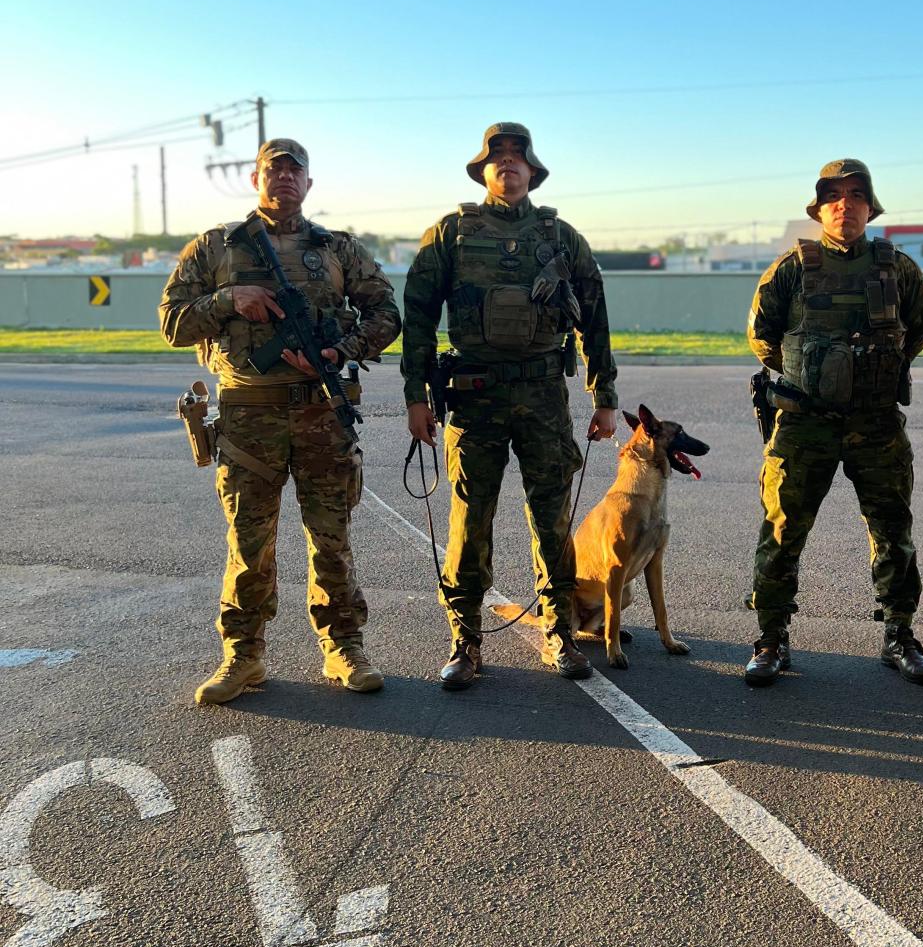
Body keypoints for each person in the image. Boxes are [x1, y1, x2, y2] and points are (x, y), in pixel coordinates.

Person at [160, 138, 400, 705]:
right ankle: (242, 656)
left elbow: (386, 313)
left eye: (296, 171)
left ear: (309, 184)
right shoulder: (216, 246)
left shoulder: (337, 248)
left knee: (332, 539)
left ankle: (344, 647)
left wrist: (339, 351)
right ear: (255, 179)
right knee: (249, 543)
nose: (285, 178)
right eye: (275, 170)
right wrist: (229, 299)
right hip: (249, 416)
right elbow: (173, 323)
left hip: (322, 411)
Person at [402, 123, 618, 689]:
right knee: (470, 519)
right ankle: (465, 639)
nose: (508, 163)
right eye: (497, 155)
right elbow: (418, 317)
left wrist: (605, 396)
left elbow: (595, 316)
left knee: (552, 518)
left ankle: (559, 630)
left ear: (532, 169)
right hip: (474, 397)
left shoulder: (561, 236)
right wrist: (416, 396)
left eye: (517, 155)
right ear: (483, 169)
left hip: (544, 394)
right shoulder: (451, 233)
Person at [744, 159, 923, 687]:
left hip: (876, 423)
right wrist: (816, 376)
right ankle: (771, 638)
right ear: (819, 208)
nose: (844, 205)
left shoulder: (897, 268)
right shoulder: (790, 268)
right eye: (833, 196)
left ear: (870, 208)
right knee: (782, 529)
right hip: (805, 423)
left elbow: (919, 329)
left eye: (855, 195)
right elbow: (762, 335)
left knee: (892, 529)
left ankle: (900, 635)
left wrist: (868, 376)